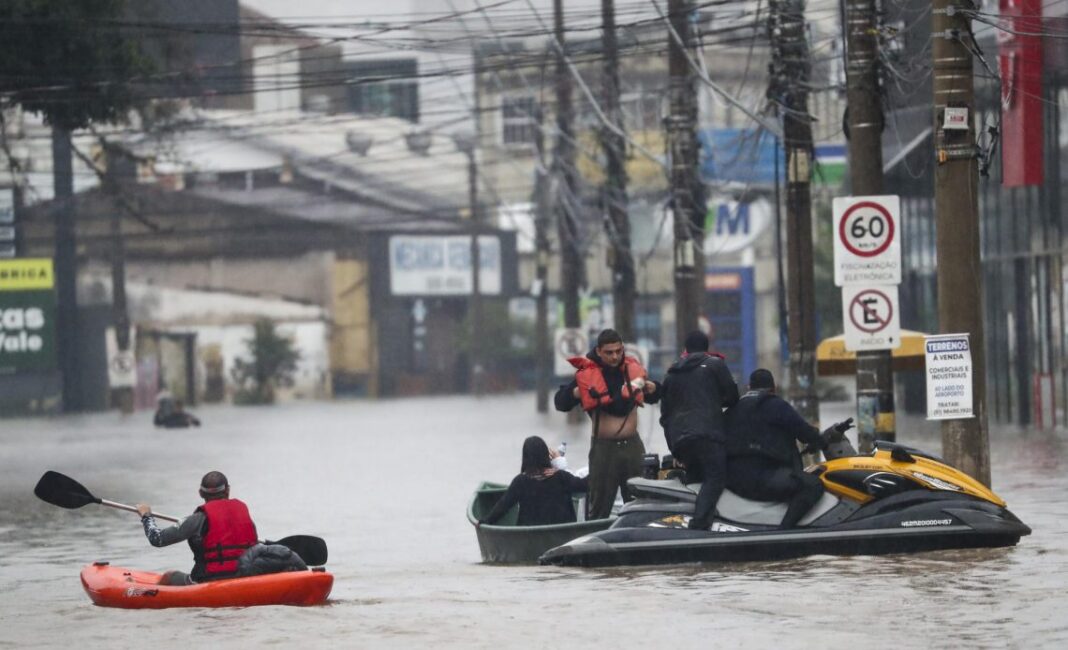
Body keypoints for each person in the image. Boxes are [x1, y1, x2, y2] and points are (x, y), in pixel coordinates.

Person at [725, 369, 853, 529]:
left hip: (734, 479)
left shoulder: (733, 409)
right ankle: (785, 531)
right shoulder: (776, 405)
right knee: (813, 485)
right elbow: (803, 431)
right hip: (763, 478)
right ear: (774, 388)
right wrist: (821, 442)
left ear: (749, 386)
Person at [554, 329, 660, 519]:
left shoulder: (631, 370)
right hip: (604, 449)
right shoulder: (588, 374)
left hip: (632, 445)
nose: (615, 356)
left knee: (641, 502)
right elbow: (560, 403)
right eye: (609, 352)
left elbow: (656, 396)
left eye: (619, 351)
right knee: (600, 505)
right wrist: (576, 393)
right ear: (599, 351)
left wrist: (654, 388)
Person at [658, 330, 740, 530]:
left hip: (680, 439)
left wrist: (674, 447)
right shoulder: (714, 365)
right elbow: (733, 397)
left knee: (695, 479)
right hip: (707, 434)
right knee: (716, 477)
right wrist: (714, 401)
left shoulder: (671, 374)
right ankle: (701, 523)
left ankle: (686, 520)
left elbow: (665, 415)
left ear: (685, 349)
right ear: (707, 348)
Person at [135, 471, 257, 585]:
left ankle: (148, 592)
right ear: (228, 490)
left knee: (169, 576)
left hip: (209, 579)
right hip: (246, 574)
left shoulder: (197, 519)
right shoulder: (243, 512)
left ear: (200, 493)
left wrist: (146, 516)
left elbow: (157, 539)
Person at [479, 436, 588, 526]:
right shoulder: (561, 476)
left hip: (529, 536)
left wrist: (485, 521)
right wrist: (560, 463)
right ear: (546, 456)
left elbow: (503, 506)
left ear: (525, 458)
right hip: (564, 534)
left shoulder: (520, 481)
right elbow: (585, 485)